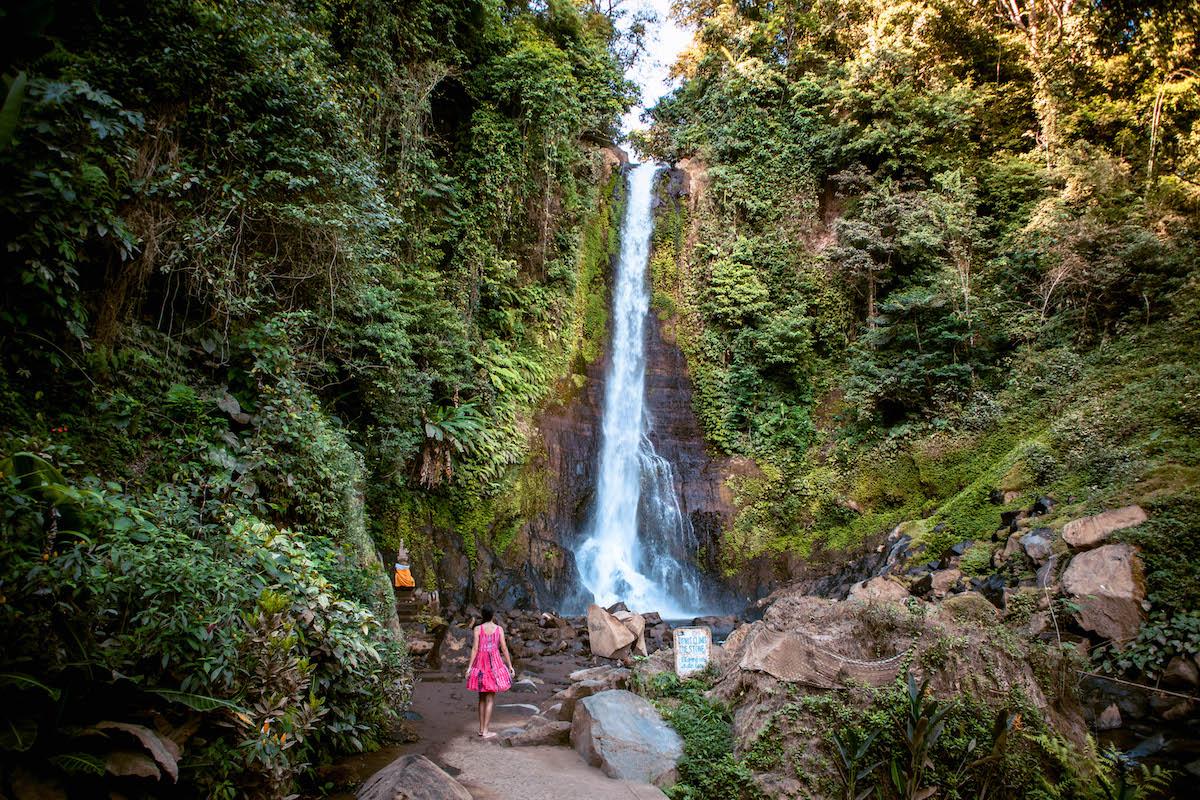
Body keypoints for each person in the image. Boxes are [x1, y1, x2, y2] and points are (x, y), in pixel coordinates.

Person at [464, 606, 515, 738]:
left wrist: (470, 667)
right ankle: (486, 731)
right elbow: (504, 648)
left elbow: (475, 648)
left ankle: (481, 729)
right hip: (494, 663)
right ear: (493, 615)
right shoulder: (499, 629)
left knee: (481, 698)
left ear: (482, 615)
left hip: (481, 663)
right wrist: (510, 665)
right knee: (490, 699)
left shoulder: (477, 629)